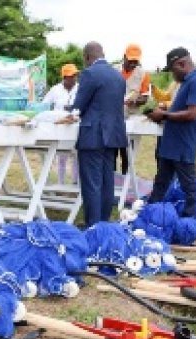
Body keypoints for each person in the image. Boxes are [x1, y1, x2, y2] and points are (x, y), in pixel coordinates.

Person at [146, 47, 196, 218]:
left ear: (182, 64)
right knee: (160, 182)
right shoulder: (186, 83)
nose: (172, 76)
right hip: (171, 144)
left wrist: (165, 114)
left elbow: (192, 113)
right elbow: (179, 109)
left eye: (173, 70)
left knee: (188, 186)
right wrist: (160, 116)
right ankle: (150, 213)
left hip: (183, 144)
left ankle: (189, 220)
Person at [70, 41, 127, 227]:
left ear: (86, 57)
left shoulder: (90, 73)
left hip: (93, 134)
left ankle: (93, 226)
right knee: (106, 181)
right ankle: (104, 223)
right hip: (112, 135)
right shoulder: (118, 76)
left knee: (92, 184)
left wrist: (69, 108)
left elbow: (79, 106)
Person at [43, 63, 80, 183]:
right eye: (71, 76)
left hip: (75, 126)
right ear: (65, 77)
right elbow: (44, 105)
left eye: (75, 75)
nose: (74, 78)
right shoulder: (55, 89)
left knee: (76, 156)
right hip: (60, 127)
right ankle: (61, 182)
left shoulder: (80, 88)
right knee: (61, 156)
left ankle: (75, 183)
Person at [118, 43, 151, 174]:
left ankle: (126, 181)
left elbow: (145, 97)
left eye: (136, 61)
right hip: (114, 117)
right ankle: (112, 183)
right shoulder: (114, 71)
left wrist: (136, 101)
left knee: (128, 153)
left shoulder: (143, 74)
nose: (133, 64)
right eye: (130, 61)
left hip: (131, 118)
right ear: (124, 57)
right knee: (112, 152)